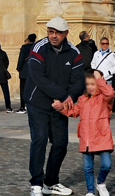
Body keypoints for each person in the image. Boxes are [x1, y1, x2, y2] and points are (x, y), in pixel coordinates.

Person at [24, 16, 86, 196]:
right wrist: (62, 95)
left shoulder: (74, 52)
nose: (53, 36)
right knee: (40, 139)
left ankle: (51, 182)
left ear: (66, 33)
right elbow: (38, 78)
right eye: (51, 32)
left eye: (58, 32)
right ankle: (36, 183)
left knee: (61, 143)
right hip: (38, 102)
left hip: (60, 105)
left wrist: (68, 98)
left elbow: (78, 81)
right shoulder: (39, 48)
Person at [77, 69, 115, 196]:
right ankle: (90, 191)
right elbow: (73, 111)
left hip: (102, 137)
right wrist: (61, 107)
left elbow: (110, 93)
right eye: (88, 84)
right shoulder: (83, 99)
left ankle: (100, 183)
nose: (90, 87)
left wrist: (99, 79)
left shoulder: (104, 99)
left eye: (93, 84)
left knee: (106, 164)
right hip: (86, 138)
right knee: (88, 168)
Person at [88, 37, 115, 110]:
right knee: (97, 96)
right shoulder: (96, 54)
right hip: (97, 79)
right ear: (100, 44)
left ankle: (106, 111)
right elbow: (93, 63)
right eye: (103, 44)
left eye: (107, 43)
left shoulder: (112, 55)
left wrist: (108, 72)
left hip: (107, 79)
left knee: (107, 97)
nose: (105, 45)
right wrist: (95, 72)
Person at [17, 33, 37, 115]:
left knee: (23, 89)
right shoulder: (36, 47)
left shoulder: (24, 48)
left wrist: (18, 68)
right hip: (34, 71)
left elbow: (21, 59)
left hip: (25, 71)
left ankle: (22, 106)